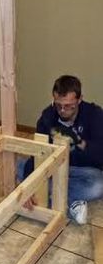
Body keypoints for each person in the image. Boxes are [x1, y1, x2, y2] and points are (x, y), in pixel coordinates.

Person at [20, 75, 103, 225]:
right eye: (58, 105)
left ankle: (50, 193)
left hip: (83, 170)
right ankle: (71, 202)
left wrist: (79, 142)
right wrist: (28, 188)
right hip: (54, 166)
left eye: (68, 105)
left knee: (98, 186)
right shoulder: (48, 117)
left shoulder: (94, 115)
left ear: (79, 100)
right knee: (21, 166)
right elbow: (37, 153)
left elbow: (100, 155)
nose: (62, 110)